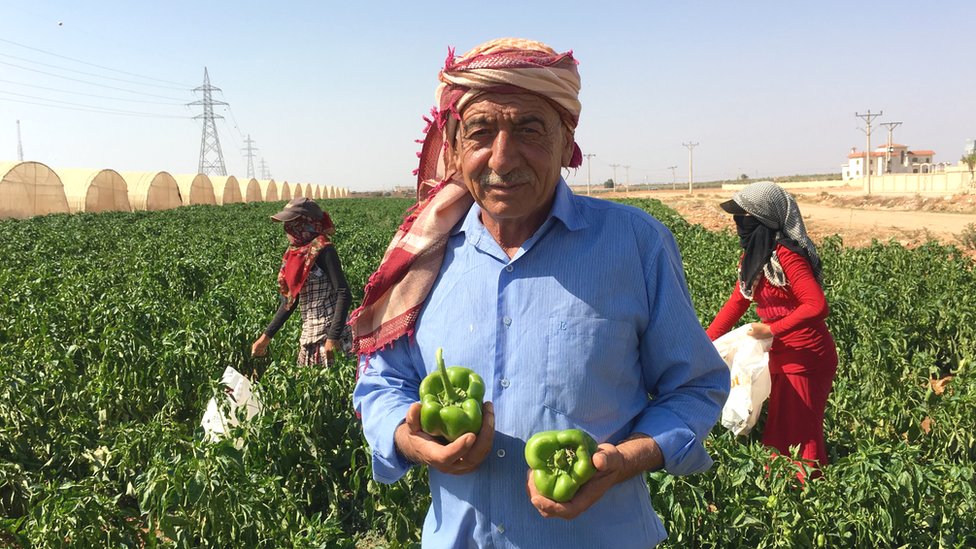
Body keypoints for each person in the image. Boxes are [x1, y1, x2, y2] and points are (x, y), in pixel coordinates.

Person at [350, 38, 729, 548]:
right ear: (456, 142)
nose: (502, 160)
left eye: (530, 129)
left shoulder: (635, 244)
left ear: (567, 137)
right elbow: (382, 383)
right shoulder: (424, 253)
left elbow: (695, 389)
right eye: (481, 131)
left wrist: (624, 460)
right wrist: (408, 438)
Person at [706, 181, 838, 479]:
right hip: (778, 353)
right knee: (781, 427)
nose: (739, 224)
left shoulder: (786, 255)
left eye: (745, 217)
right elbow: (738, 302)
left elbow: (816, 306)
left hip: (807, 356)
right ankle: (785, 492)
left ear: (763, 218)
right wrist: (704, 341)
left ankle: (809, 497)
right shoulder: (755, 255)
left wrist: (772, 328)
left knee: (801, 431)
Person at [252, 197, 352, 366]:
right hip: (310, 335)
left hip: (330, 337)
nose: (287, 229)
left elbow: (344, 293)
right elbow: (290, 301)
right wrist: (266, 337)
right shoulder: (295, 254)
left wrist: (333, 337)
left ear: (304, 222)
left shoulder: (323, 250)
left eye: (291, 223)